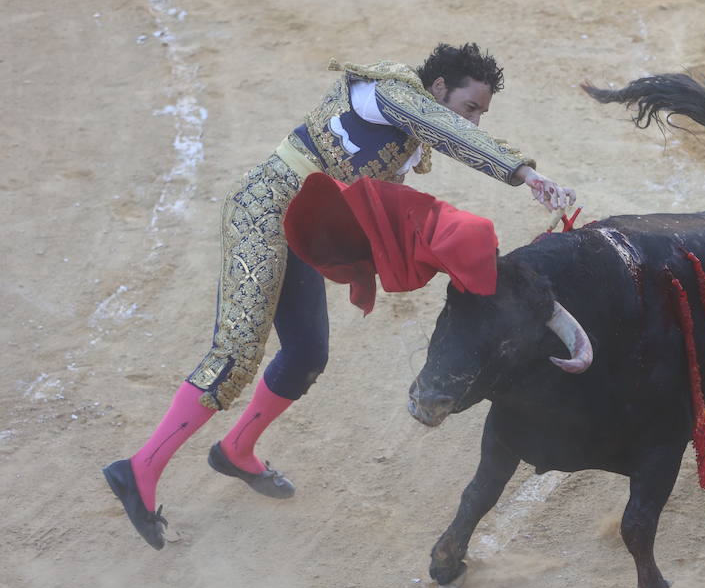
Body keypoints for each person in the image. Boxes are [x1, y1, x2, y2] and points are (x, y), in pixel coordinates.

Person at [103, 43, 575, 549]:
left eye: (481, 113)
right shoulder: (391, 94)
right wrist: (524, 173)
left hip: (301, 233)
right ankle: (139, 468)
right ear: (438, 89)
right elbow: (449, 132)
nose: (474, 121)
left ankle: (236, 450)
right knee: (234, 355)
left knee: (307, 354)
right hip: (262, 214)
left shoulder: (409, 139)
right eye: (471, 108)